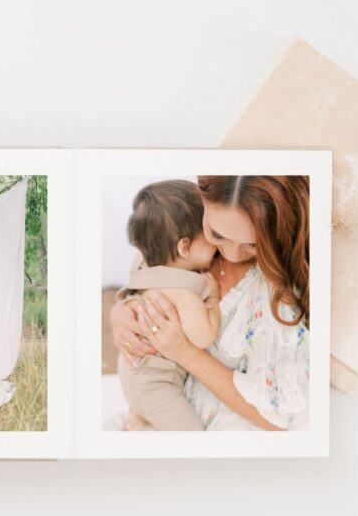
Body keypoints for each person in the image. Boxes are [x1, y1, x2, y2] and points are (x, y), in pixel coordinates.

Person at [110, 175, 310, 431]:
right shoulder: (178, 231)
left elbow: (278, 417)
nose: (230, 254)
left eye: (253, 245)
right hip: (147, 406)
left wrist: (185, 353)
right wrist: (123, 311)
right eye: (217, 235)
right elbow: (141, 276)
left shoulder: (277, 298)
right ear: (201, 201)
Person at [116, 180, 222, 431]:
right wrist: (214, 301)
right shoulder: (184, 293)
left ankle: (138, 419)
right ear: (185, 247)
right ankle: (139, 421)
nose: (215, 242)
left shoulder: (144, 268)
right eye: (208, 236)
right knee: (191, 436)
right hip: (156, 387)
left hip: (132, 374)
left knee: (147, 408)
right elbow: (203, 337)